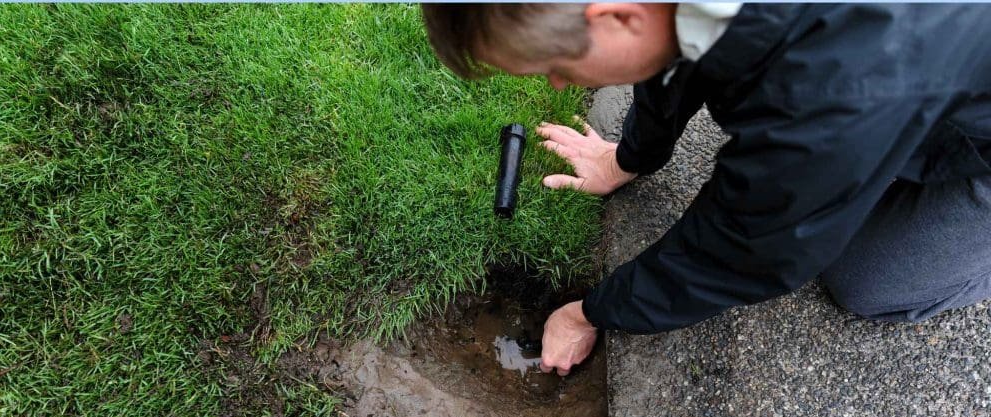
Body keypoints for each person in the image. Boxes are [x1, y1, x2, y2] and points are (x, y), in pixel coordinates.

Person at [422, 3, 991, 376]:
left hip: (952, 117)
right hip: (927, 68)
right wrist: (630, 156)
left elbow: (748, 247)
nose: (556, 82)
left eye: (554, 63)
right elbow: (672, 49)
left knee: (866, 279)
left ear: (616, 15)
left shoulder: (831, 89)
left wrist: (588, 313)